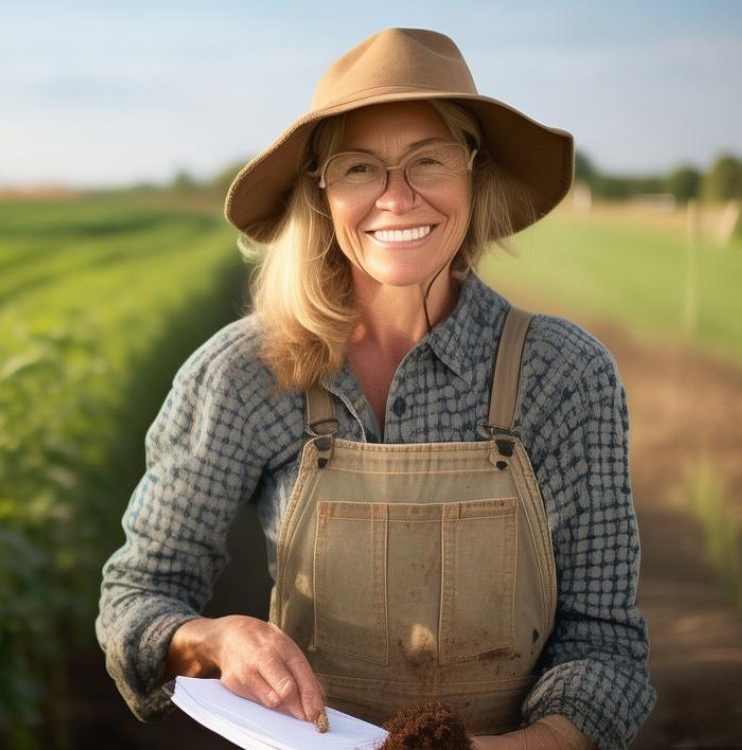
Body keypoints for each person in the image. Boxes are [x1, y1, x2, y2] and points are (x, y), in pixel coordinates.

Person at [96, 27, 654, 750]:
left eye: (430, 159)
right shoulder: (242, 374)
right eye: (359, 168)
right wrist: (214, 638)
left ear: (475, 174)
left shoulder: (564, 375)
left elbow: (603, 642)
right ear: (321, 194)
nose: (397, 196)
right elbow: (136, 596)